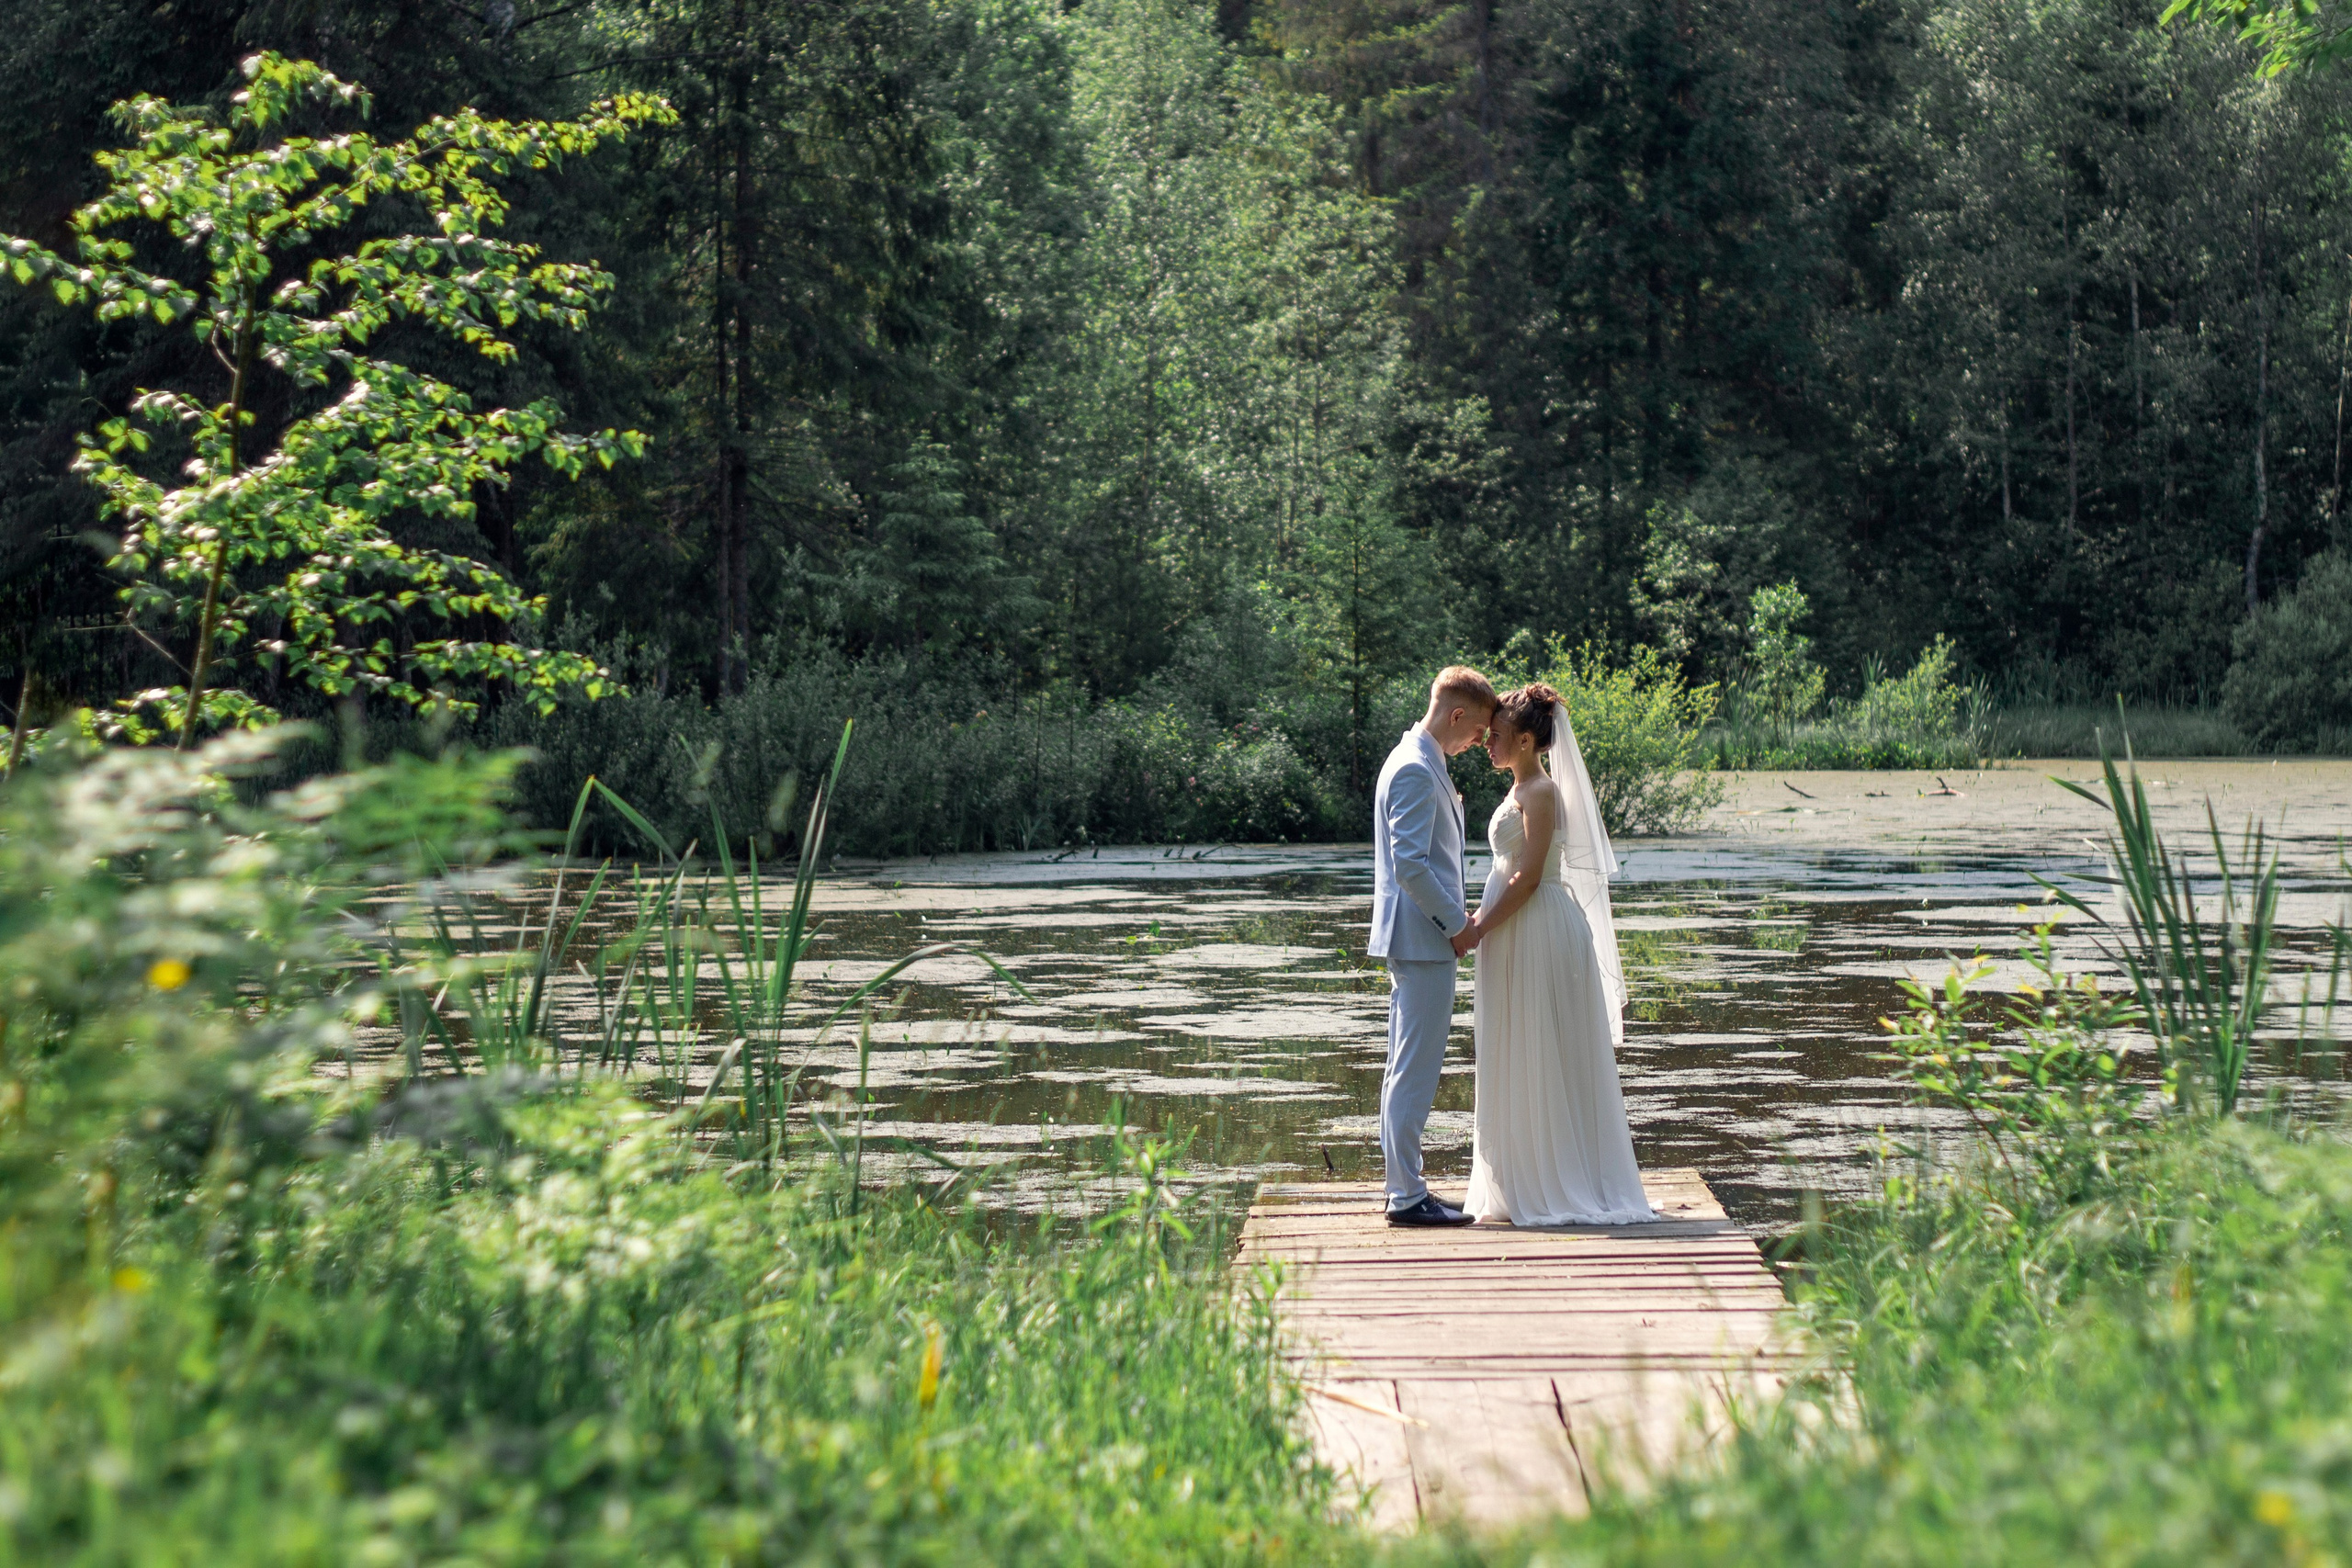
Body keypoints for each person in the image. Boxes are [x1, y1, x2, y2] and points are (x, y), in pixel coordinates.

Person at [1455, 683, 1656, 1226]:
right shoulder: (1523, 785)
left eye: (1495, 737)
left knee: (1538, 1045)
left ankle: (1551, 1180)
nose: (1486, 744)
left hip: (1535, 926)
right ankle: (1519, 1173)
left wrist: (1476, 929)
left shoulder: (1539, 791)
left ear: (1525, 740)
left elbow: (1528, 878)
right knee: (1517, 1044)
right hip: (1516, 928)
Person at [1367, 666, 1496, 1226]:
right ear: (1457, 714)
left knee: (1406, 1066)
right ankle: (1406, 1196)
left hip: (1418, 940)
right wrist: (1456, 925)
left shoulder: (1423, 762)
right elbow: (1411, 867)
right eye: (1478, 731)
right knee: (1414, 1070)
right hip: (1423, 940)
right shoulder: (1416, 769)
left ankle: (1405, 1185)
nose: (1479, 743)